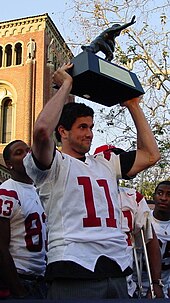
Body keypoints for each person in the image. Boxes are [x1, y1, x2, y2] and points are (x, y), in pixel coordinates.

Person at [23, 62, 160, 299]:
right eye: (82, 127)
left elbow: (151, 155)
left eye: (91, 127)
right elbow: (42, 131)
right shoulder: (54, 164)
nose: (89, 133)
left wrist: (133, 105)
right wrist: (66, 85)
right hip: (74, 266)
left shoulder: (105, 162)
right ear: (63, 131)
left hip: (117, 267)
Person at [94, 145, 164, 299]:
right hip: (89, 278)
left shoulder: (132, 198)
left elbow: (150, 240)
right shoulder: (81, 193)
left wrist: (156, 283)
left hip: (124, 284)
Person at [0, 140, 47, 299]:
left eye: (28, 150)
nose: (27, 155)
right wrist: (18, 291)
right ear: (9, 164)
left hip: (41, 279)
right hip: (20, 280)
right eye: (19, 153)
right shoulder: (6, 193)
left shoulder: (38, 191)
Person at [149, 181, 170, 298]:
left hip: (165, 286)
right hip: (137, 284)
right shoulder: (143, 220)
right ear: (154, 196)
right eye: (160, 193)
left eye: (169, 195)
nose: (163, 198)